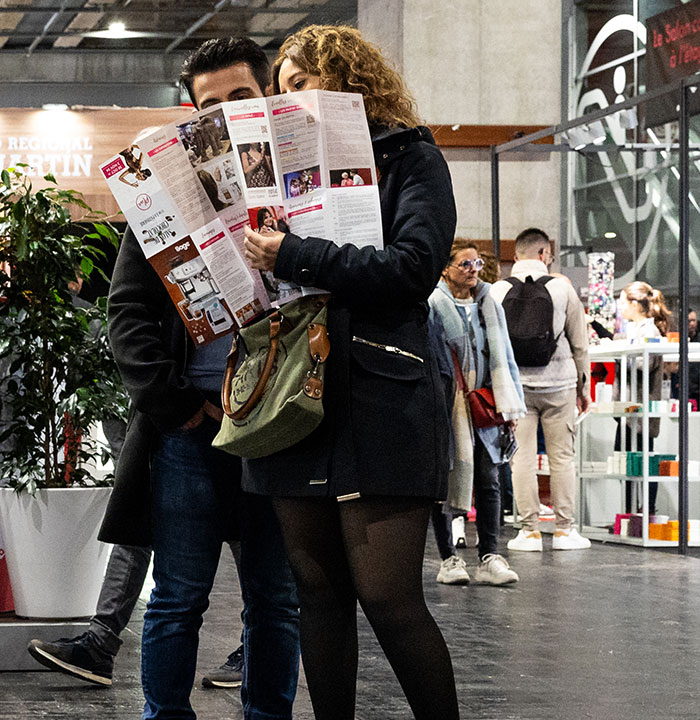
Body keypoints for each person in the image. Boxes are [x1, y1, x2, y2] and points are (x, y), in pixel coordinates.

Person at [242, 24, 460, 720]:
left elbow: (412, 270)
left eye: (301, 81)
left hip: (380, 392)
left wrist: (292, 254)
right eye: (281, 88)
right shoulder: (270, 176)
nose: (289, 97)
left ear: (347, 78)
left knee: (389, 598)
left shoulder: (410, 156)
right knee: (318, 594)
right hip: (290, 392)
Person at [96, 36, 300, 720]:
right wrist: (175, 406)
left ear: (268, 96)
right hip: (192, 429)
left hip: (282, 425)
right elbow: (124, 310)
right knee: (178, 596)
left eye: (241, 98)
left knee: (276, 598)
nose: (226, 113)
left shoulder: (305, 182)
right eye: (209, 105)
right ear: (192, 113)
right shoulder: (163, 193)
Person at [429, 239, 525, 585]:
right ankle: (449, 559)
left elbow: (506, 356)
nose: (473, 270)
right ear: (446, 268)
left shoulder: (489, 302)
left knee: (490, 480)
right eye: (465, 264)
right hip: (449, 406)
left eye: (476, 263)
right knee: (446, 480)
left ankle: (490, 556)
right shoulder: (434, 304)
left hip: (485, 403)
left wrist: (510, 401)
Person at [491, 227, 591, 551]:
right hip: (559, 384)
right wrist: (583, 387)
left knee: (522, 458)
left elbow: (489, 345)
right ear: (544, 254)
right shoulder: (563, 290)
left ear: (516, 256)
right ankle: (564, 531)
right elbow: (580, 343)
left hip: (515, 388)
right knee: (562, 458)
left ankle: (529, 532)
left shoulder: (496, 291)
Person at [615, 281, 672, 515]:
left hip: (640, 412)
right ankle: (630, 515)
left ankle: (644, 513)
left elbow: (645, 363)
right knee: (627, 462)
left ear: (635, 303)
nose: (620, 307)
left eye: (622, 301)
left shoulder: (648, 331)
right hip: (630, 411)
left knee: (642, 462)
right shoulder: (634, 330)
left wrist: (619, 353)